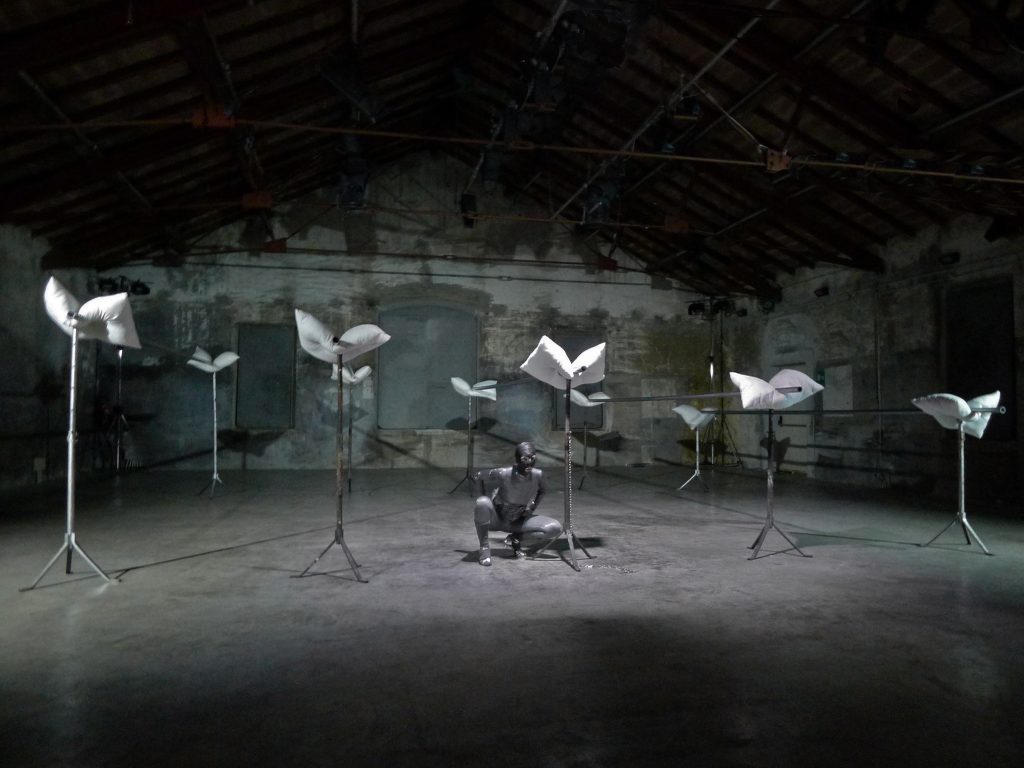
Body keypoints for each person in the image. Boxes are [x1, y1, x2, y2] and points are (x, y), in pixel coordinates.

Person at [473, 441, 562, 566]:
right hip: (497, 519)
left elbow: (543, 491)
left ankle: (515, 539)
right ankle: (484, 547)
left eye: (532, 458)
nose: (529, 463)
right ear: (517, 459)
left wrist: (531, 507)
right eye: (525, 459)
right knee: (482, 502)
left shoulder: (538, 475)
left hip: (517, 521)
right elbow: (478, 476)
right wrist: (483, 502)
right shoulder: (503, 473)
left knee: (555, 528)